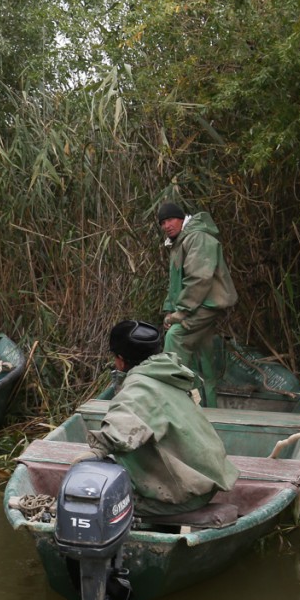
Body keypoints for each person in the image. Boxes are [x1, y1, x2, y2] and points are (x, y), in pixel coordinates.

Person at [78, 320, 239, 517]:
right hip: (205, 486)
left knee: (97, 500)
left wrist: (94, 452)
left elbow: (119, 430)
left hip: (182, 497)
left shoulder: (138, 389)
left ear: (120, 359)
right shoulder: (168, 374)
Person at [157, 202, 238, 406]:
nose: (167, 225)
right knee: (203, 358)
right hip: (200, 305)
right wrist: (169, 311)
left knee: (175, 338)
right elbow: (176, 282)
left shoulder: (197, 237)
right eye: (162, 222)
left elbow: (199, 279)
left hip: (205, 305)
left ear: (182, 218)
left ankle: (174, 404)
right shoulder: (179, 241)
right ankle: (209, 408)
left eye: (170, 220)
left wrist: (180, 313)